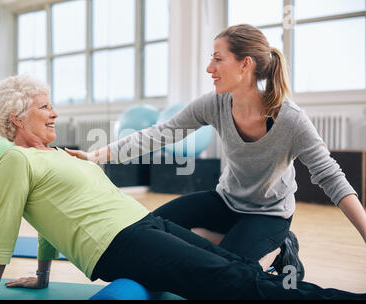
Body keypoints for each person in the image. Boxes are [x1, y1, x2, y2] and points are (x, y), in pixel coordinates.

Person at [0, 74, 365, 300]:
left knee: (237, 269)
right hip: (118, 246)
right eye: (44, 107)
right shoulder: (16, 160)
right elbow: (3, 235)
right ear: (16, 116)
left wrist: (44, 277)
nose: (55, 113)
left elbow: (49, 223)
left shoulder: (59, 154)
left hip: (145, 226)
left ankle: (284, 257)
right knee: (233, 281)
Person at [66, 24, 366, 280]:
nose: (210, 68)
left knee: (223, 275)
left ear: (245, 65)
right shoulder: (215, 104)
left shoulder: (291, 119)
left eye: (218, 59)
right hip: (225, 201)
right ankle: (219, 239)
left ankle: (281, 249)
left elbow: (331, 177)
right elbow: (161, 134)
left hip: (268, 214)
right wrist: (96, 157)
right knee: (147, 230)